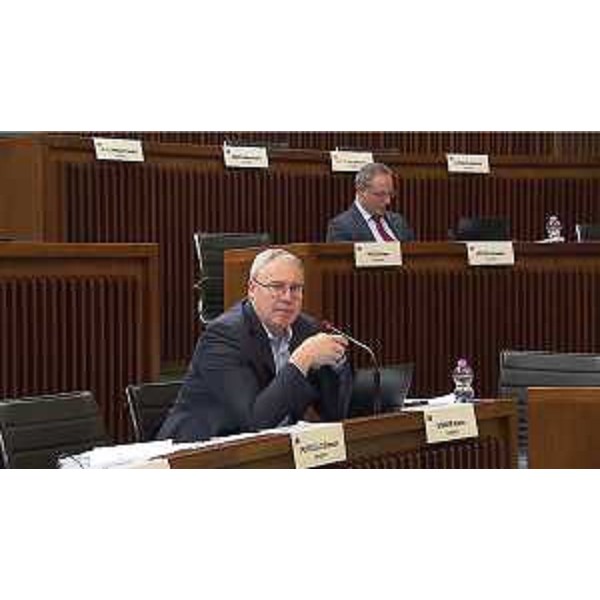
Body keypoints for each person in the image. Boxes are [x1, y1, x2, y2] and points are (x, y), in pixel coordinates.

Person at [157, 248, 352, 442]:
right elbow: (253, 422)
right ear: (252, 289)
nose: (287, 297)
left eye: (295, 288)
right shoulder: (223, 336)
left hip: (269, 450)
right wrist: (302, 359)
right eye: (276, 287)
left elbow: (334, 412)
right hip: (198, 450)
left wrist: (336, 363)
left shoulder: (305, 329)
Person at [326, 162, 414, 242]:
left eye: (390, 194)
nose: (388, 201)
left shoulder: (399, 222)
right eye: (381, 194)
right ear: (361, 191)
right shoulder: (341, 227)